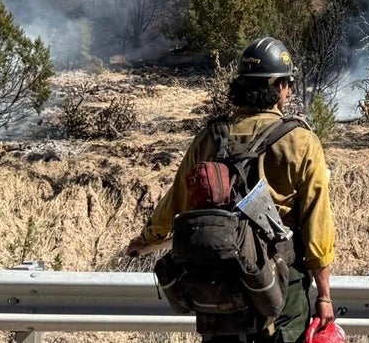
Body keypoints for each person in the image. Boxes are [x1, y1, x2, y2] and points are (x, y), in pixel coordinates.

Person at [127, 37, 335, 342]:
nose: (288, 91)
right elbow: (318, 226)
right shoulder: (301, 142)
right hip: (280, 283)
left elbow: (174, 204)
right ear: (276, 86)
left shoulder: (209, 137)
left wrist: (146, 240)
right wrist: (325, 295)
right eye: (286, 84)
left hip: (217, 283)